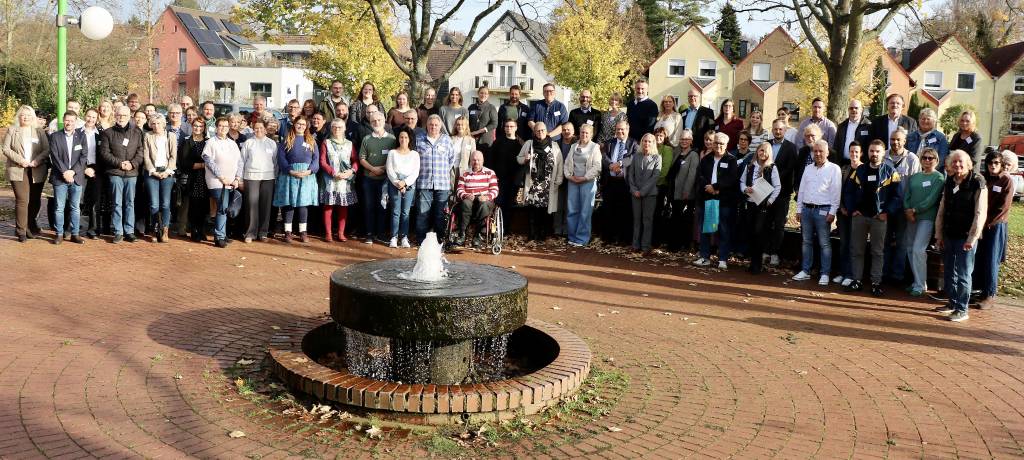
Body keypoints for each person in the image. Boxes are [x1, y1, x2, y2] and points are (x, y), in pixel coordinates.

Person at [934, 150, 987, 322]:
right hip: (949, 234)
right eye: (954, 162)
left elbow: (980, 213)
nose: (957, 165)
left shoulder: (978, 183)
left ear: (969, 164)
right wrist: (939, 234)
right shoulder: (950, 181)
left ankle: (962, 309)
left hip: (966, 237)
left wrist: (972, 238)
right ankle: (952, 303)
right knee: (949, 272)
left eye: (961, 162)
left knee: (964, 274)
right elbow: (942, 209)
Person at [844, 140, 901, 295]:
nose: (874, 154)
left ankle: (876, 283)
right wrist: (853, 210)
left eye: (877, 151)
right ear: (867, 152)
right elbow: (848, 191)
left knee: (877, 252)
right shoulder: (859, 170)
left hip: (879, 217)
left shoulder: (891, 172)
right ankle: (857, 280)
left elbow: (897, 196)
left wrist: (886, 212)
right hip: (860, 217)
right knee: (857, 250)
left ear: (883, 153)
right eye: (871, 151)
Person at [792, 139, 842, 285]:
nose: (818, 153)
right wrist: (799, 209)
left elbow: (835, 192)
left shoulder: (834, 169)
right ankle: (805, 271)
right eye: (816, 151)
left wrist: (833, 212)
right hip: (807, 210)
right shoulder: (808, 168)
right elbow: (801, 190)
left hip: (823, 210)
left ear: (827, 152)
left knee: (824, 243)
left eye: (821, 151)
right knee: (806, 241)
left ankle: (825, 273)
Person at [901, 147, 944, 296]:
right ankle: (918, 282)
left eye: (930, 158)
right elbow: (907, 194)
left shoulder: (938, 178)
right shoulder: (915, 176)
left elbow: (931, 199)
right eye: (924, 157)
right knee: (910, 249)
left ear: (936, 161)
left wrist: (914, 210)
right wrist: (907, 210)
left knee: (919, 250)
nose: (927, 160)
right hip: (911, 217)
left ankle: (920, 285)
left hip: (926, 218)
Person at [974, 149, 1014, 308]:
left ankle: (990, 294)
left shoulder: (1006, 180)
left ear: (1002, 164)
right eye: (990, 163)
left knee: (992, 258)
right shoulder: (984, 179)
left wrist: (988, 222)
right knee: (980, 257)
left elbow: (1003, 207)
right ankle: (978, 290)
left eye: (996, 163)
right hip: (982, 224)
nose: (992, 166)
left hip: (995, 225)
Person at [693, 132, 739, 269]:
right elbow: (700, 176)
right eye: (716, 143)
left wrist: (716, 187)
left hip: (723, 200)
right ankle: (704, 257)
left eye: (721, 144)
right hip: (707, 198)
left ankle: (723, 259)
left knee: (723, 230)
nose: (718, 146)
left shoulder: (731, 160)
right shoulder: (706, 159)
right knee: (706, 229)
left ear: (726, 145)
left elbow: (731, 179)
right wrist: (708, 187)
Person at [3, 106, 49, 242]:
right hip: (18, 169)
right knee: (23, 200)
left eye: (28, 115)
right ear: (19, 116)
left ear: (33, 117)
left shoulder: (39, 131)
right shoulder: (13, 130)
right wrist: (20, 160)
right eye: (23, 115)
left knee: (35, 200)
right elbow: (5, 148)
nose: (26, 117)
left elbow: (47, 149)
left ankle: (29, 226)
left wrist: (37, 161)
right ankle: (21, 231)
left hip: (36, 169)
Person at [99, 106, 144, 243]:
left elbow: (140, 151)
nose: (121, 117)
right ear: (115, 115)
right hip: (115, 172)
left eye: (124, 115)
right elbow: (104, 153)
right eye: (119, 115)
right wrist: (119, 163)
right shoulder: (108, 133)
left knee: (130, 202)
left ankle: (129, 231)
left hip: (131, 173)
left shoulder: (137, 133)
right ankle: (118, 231)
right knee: (117, 203)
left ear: (129, 116)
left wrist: (132, 164)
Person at [881, 127, 920, 283]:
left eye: (898, 140)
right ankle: (883, 273)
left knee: (902, 243)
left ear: (904, 141)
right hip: (886, 207)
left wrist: (910, 207)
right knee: (885, 241)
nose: (895, 142)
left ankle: (897, 275)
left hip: (904, 208)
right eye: (892, 139)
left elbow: (915, 185)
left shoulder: (912, 159)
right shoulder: (883, 156)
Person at [273, 115, 319, 243]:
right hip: (289, 175)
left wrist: (310, 171)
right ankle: (288, 232)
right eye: (298, 124)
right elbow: (281, 158)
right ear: (294, 125)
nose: (301, 126)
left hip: (306, 176)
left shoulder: (311, 140)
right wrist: (290, 170)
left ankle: (303, 232)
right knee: (289, 203)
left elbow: (316, 159)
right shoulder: (287, 139)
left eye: (303, 124)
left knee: (303, 204)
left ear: (306, 126)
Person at [517, 122, 564, 240]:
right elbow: (519, 158)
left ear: (546, 131)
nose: (540, 132)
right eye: (538, 131)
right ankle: (533, 234)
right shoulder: (529, 144)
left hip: (548, 184)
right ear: (534, 132)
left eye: (543, 130)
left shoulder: (554, 145)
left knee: (546, 210)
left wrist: (559, 179)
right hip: (533, 183)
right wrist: (525, 159)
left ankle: (543, 234)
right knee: (533, 210)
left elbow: (559, 163)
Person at [740, 142, 781, 274]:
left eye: (766, 151)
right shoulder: (750, 166)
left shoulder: (772, 167)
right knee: (751, 233)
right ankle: (753, 263)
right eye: (761, 150)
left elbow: (778, 186)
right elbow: (741, 182)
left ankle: (757, 264)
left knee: (759, 233)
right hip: (751, 203)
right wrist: (746, 189)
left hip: (763, 206)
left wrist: (770, 201)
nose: (763, 153)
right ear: (757, 151)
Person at [202, 117, 243, 248]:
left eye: (226, 126)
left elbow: (240, 162)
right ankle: (219, 237)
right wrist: (221, 177)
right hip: (217, 182)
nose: (223, 128)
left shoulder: (232, 143)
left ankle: (222, 233)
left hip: (231, 182)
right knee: (222, 208)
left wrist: (237, 178)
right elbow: (209, 161)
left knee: (225, 208)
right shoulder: (211, 143)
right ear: (216, 127)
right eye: (220, 126)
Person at [47, 111, 87, 244]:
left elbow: (83, 157)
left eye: (72, 120)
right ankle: (59, 234)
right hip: (60, 177)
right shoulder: (55, 136)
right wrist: (65, 172)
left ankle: (75, 234)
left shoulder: (81, 136)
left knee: (75, 207)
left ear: (76, 122)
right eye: (67, 120)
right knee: (59, 207)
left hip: (76, 178)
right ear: (63, 121)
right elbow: (55, 156)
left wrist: (73, 172)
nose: (69, 123)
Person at [415, 115, 456, 242]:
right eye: (431, 124)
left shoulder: (446, 140)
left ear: (440, 126)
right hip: (424, 182)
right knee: (423, 214)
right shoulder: (419, 139)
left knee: (440, 214)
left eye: (436, 125)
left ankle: (440, 241)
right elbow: (414, 159)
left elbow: (451, 160)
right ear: (426, 126)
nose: (433, 127)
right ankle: (421, 241)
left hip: (442, 184)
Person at [358, 111, 396, 243]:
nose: (376, 123)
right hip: (369, 178)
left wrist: (383, 169)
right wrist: (373, 169)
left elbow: (395, 158)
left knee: (383, 207)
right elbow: (362, 158)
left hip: (385, 180)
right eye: (373, 121)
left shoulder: (392, 139)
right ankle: (369, 234)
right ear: (370, 122)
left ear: (384, 121)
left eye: (379, 120)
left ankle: (380, 234)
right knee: (369, 206)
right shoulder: (366, 139)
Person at [320, 118, 359, 243]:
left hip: (345, 181)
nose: (337, 129)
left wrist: (351, 171)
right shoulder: (326, 143)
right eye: (335, 127)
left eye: (340, 127)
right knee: (328, 207)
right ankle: (328, 233)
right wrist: (333, 172)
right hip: (330, 180)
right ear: (331, 128)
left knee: (343, 207)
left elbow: (355, 160)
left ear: (345, 129)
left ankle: (341, 233)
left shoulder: (350, 144)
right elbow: (322, 161)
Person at [601, 120, 640, 244]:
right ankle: (609, 238)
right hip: (610, 182)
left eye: (622, 129)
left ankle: (624, 238)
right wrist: (611, 165)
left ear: (627, 130)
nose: (620, 131)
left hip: (625, 183)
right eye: (618, 129)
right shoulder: (609, 142)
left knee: (624, 212)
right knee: (609, 210)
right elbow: (604, 156)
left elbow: (634, 157)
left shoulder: (633, 143)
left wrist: (621, 163)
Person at [564, 123, 602, 247]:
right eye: (582, 132)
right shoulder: (573, 146)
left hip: (587, 183)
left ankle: (582, 239)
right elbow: (567, 164)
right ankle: (572, 236)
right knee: (572, 210)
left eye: (587, 133)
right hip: (573, 182)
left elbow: (597, 166)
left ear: (591, 134)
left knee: (585, 211)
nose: (584, 135)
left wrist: (584, 178)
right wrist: (570, 176)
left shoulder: (595, 147)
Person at [240, 119, 278, 242]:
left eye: (261, 128)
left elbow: (275, 163)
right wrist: (240, 179)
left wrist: (275, 178)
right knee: (251, 205)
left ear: (266, 129)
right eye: (256, 128)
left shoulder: (272, 143)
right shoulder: (248, 143)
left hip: (268, 178)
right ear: (253, 129)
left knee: (266, 206)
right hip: (251, 177)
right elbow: (241, 161)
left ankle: (263, 232)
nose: (259, 130)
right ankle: (250, 233)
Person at [143, 114, 178, 243]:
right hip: (152, 173)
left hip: (167, 173)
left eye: (158, 123)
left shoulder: (171, 136)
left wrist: (168, 171)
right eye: (153, 123)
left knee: (165, 204)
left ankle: (165, 229)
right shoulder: (148, 136)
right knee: (154, 204)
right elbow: (146, 156)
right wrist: (152, 171)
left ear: (164, 124)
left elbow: (174, 156)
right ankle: (155, 229)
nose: (156, 126)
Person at [626, 133, 662, 254]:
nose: (646, 143)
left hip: (649, 194)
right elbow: (631, 174)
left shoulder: (657, 158)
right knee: (636, 220)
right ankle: (635, 245)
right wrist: (634, 190)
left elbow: (655, 177)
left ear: (653, 143)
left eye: (649, 141)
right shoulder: (636, 156)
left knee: (647, 221)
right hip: (634, 193)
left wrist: (642, 192)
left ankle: (645, 246)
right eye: (644, 141)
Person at [455, 150, 499, 247]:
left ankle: (478, 236)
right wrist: (466, 195)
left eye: (478, 160)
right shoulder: (465, 173)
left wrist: (487, 197)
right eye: (474, 160)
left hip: (485, 200)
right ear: (470, 161)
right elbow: (459, 190)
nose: (476, 162)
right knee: (465, 203)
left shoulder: (490, 173)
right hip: (470, 198)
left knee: (483, 205)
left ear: (483, 161)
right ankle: (462, 234)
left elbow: (495, 190)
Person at [665, 129, 699, 251]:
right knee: (674, 218)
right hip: (673, 191)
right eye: (682, 139)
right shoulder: (677, 152)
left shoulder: (694, 155)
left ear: (691, 141)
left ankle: (682, 245)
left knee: (683, 220)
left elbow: (692, 175)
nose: (684, 141)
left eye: (686, 139)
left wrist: (686, 192)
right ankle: (673, 245)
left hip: (685, 194)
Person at [835, 141, 864, 286]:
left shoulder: (864, 170)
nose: (854, 154)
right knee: (844, 243)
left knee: (854, 245)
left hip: (857, 215)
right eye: (851, 151)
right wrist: (841, 207)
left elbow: (865, 194)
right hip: (843, 213)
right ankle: (843, 272)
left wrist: (856, 210)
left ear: (861, 153)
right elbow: (838, 189)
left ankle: (852, 274)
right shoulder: (844, 169)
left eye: (856, 152)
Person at [386, 127, 419, 248]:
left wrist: (405, 183)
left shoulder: (414, 154)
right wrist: (398, 183)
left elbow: (415, 172)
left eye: (406, 137)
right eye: (401, 137)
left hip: (409, 185)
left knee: (406, 212)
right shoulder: (392, 153)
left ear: (409, 139)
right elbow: (389, 170)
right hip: (394, 184)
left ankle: (404, 237)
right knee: (395, 212)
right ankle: (394, 237)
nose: (403, 139)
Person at [177, 118, 208, 241]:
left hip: (205, 179)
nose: (198, 128)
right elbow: (185, 163)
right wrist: (202, 165)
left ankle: (201, 230)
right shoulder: (186, 142)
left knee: (204, 206)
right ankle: (194, 231)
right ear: (192, 126)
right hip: (192, 179)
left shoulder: (208, 142)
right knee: (193, 206)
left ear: (204, 128)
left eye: (200, 126)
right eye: (195, 126)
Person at [79, 109, 103, 239]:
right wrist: (83, 168)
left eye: (94, 117)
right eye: (89, 116)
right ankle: (73, 227)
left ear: (97, 118)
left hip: (96, 170)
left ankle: (93, 230)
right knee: (78, 199)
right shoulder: (77, 133)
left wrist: (94, 169)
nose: (91, 119)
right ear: (85, 116)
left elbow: (103, 154)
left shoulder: (101, 134)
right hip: (80, 168)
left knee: (95, 201)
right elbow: (73, 154)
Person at [488, 120, 523, 208]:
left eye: (511, 126)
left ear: (516, 128)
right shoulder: (498, 142)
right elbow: (491, 159)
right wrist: (493, 175)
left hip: (514, 180)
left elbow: (522, 163)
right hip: (500, 179)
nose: (508, 128)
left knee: (511, 204)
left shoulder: (520, 144)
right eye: (506, 126)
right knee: (500, 203)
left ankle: (507, 222)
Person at [833, 99, 872, 167]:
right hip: (843, 163)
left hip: (861, 164)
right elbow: (836, 146)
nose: (853, 110)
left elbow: (870, 145)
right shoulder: (841, 126)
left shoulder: (868, 126)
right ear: (848, 110)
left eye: (856, 108)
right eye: (851, 108)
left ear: (861, 109)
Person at [468, 86, 498, 152]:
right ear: (478, 93)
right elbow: (467, 122)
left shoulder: (491, 107)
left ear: (488, 95)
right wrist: (468, 133)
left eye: (485, 93)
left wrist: (478, 132)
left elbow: (494, 124)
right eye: (481, 93)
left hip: (485, 140)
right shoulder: (471, 107)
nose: (483, 95)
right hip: (472, 139)